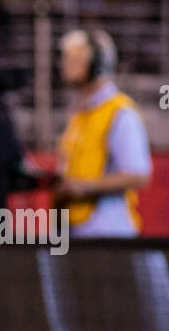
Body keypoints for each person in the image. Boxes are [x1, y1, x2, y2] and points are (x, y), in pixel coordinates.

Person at [54, 29, 151, 236]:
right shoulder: (80, 114)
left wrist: (84, 187)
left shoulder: (120, 113)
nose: (65, 66)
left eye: (75, 60)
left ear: (97, 64)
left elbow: (138, 174)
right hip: (77, 231)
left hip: (108, 233)